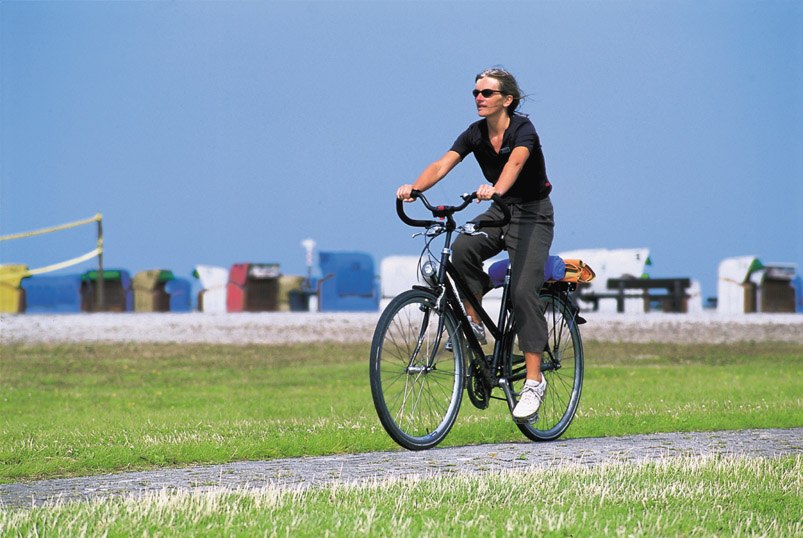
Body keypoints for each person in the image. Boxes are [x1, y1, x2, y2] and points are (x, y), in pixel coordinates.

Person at [396, 67, 554, 422]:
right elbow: (442, 164)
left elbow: (515, 164)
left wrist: (497, 187)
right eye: (475, 93)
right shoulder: (475, 134)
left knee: (524, 291)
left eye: (486, 93)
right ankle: (475, 317)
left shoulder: (522, 130)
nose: (479, 98)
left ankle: (533, 381)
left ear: (507, 100)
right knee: (462, 251)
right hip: (500, 211)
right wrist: (416, 189)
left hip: (532, 214)